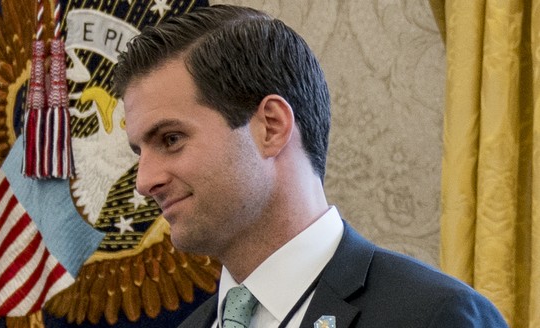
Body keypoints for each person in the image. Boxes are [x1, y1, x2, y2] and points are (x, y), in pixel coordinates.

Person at [113, 4, 508, 328]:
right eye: (139, 151)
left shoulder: (435, 316)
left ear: (271, 127)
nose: (145, 181)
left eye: (171, 139)